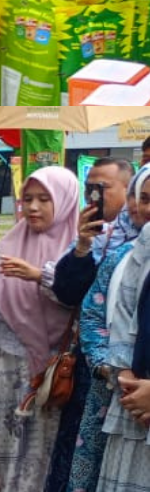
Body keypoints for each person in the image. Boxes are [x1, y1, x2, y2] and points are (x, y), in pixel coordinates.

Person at [0, 167, 78, 492]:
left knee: (40, 453)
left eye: (44, 199)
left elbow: (79, 296)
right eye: (27, 199)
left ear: (65, 202)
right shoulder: (10, 241)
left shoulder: (78, 251)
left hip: (51, 374)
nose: (33, 207)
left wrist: (39, 275)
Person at [44, 158, 136, 492]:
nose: (94, 196)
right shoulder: (99, 237)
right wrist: (82, 247)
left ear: (130, 189)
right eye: (90, 188)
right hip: (93, 367)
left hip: (136, 373)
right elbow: (68, 294)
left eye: (104, 188)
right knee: (77, 451)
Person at [67, 167, 150, 492]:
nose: (145, 207)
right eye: (141, 197)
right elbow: (91, 315)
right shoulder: (122, 257)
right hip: (116, 392)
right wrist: (118, 373)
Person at [95, 179, 150, 490]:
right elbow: (125, 313)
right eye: (144, 197)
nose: (147, 208)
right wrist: (127, 378)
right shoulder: (146, 242)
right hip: (133, 404)